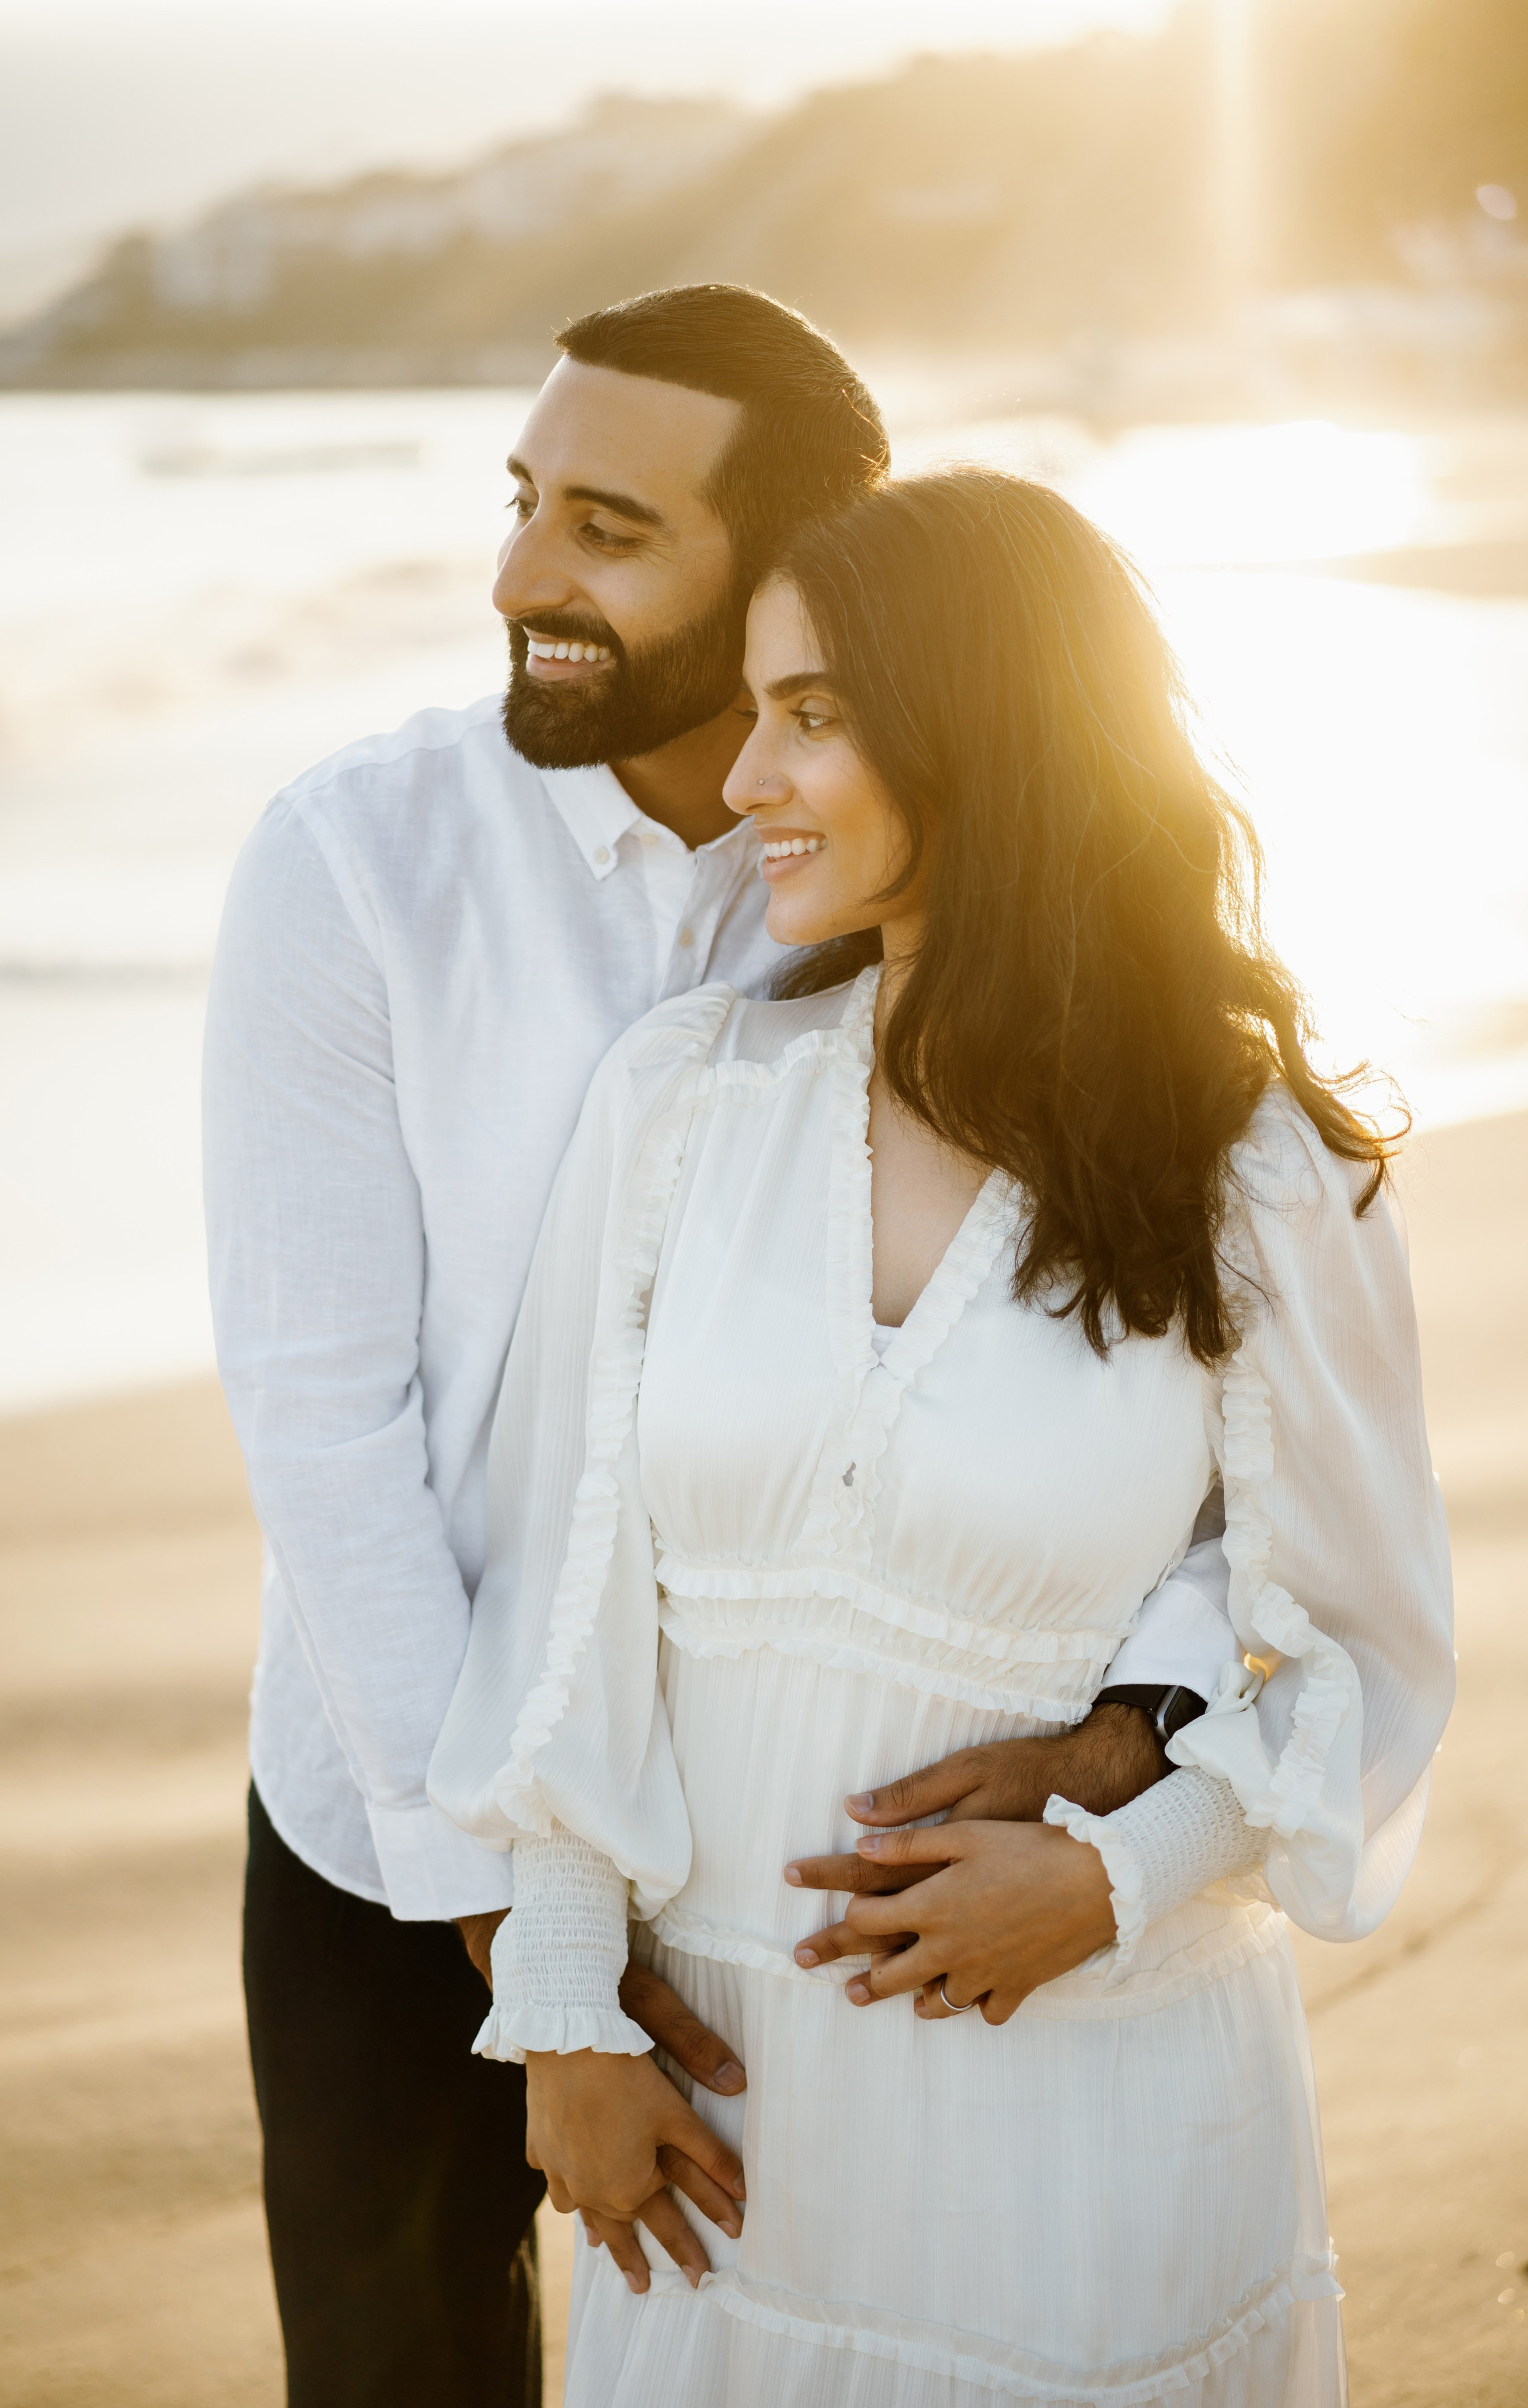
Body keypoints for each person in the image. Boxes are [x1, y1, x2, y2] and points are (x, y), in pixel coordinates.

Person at [204, 290, 1228, 2404]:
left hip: (799, 1839)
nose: (519, 577)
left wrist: (1131, 1744)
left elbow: (1177, 1391)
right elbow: (327, 1426)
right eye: (521, 506)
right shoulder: (358, 861)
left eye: (604, 525)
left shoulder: (915, 876)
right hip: (396, 1825)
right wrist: (527, 1936)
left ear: (788, 573)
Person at [428, 468, 1455, 2405]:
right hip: (726, 2149)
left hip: (1098, 2111)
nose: (746, 779)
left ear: (990, 732)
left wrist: (1120, 1875)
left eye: (814, 715)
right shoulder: (682, 1109)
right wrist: (567, 2016)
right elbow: (560, 1618)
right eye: (759, 708)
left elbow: (1360, 1654)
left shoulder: (1253, 1174)